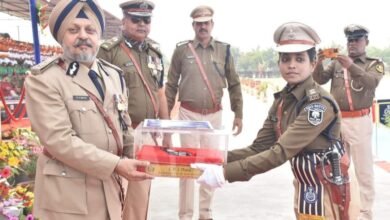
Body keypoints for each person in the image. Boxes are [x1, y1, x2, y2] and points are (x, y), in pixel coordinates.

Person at [193, 22, 353, 220]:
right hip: (305, 183)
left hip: (328, 187)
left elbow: (280, 152)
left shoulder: (318, 105)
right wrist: (217, 158)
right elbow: (259, 148)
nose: (291, 65)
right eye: (285, 59)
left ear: (313, 64)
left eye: (300, 59)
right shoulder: (284, 101)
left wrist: (224, 173)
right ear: (279, 64)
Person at [24, 0, 153, 219]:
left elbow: (124, 127)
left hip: (110, 189)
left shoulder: (113, 75)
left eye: (90, 30)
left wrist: (150, 158)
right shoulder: (44, 79)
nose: (83, 36)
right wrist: (117, 164)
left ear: (98, 36)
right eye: (73, 30)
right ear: (61, 36)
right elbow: (59, 140)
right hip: (68, 198)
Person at [165, 5, 243, 220]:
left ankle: (206, 214)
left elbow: (234, 84)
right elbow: (171, 84)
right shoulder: (182, 50)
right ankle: (185, 215)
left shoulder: (224, 50)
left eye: (206, 23)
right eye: (198, 23)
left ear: (212, 25)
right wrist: (164, 119)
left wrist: (238, 113)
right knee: (187, 166)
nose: (202, 27)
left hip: (214, 116)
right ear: (193, 25)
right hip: (188, 115)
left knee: (210, 165)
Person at [97, 1, 170, 219]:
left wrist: (166, 131)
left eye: (146, 20)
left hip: (146, 134)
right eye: (135, 19)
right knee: (114, 191)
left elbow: (160, 92)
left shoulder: (155, 52)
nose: (141, 24)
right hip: (117, 134)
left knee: (139, 192)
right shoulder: (108, 51)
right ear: (124, 21)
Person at [313, 24, 384, 220]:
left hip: (360, 121)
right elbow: (318, 79)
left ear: (366, 42)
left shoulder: (373, 63)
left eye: (357, 40)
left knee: (363, 171)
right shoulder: (336, 62)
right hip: (337, 121)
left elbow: (371, 82)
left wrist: (350, 66)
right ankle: (342, 211)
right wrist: (318, 62)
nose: (352, 44)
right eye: (350, 40)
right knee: (337, 167)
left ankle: (365, 214)